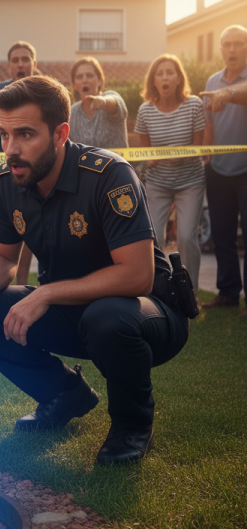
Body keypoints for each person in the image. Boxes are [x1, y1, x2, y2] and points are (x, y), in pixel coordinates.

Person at [0, 75, 189, 465]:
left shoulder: (109, 175)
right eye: (6, 136)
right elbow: (3, 255)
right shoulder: (8, 178)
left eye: (25, 135)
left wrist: (44, 294)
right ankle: (65, 394)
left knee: (107, 316)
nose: (11, 149)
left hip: (148, 314)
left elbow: (137, 276)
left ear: (61, 133)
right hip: (75, 312)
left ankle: (132, 425)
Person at [134, 55, 206, 292]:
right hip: (158, 183)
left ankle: (190, 292)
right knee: (152, 239)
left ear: (178, 78)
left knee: (186, 238)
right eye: (160, 73)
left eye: (170, 72)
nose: (164, 77)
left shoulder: (194, 105)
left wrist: (180, 155)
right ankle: (158, 289)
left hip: (190, 182)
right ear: (153, 80)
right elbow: (145, 154)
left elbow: (198, 149)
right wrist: (152, 159)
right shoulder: (145, 111)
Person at [0, 42, 40, 282]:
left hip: (35, 171)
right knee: (3, 229)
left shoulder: (43, 91)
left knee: (30, 227)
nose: (21, 64)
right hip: (2, 172)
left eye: (25, 59)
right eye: (16, 60)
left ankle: (23, 283)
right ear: (9, 65)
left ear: (34, 63)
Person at [199, 26, 247, 314]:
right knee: (222, 235)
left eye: (238, 44)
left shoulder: (231, 85)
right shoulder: (212, 80)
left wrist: (228, 93)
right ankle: (228, 293)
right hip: (218, 169)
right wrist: (206, 154)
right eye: (226, 44)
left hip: (246, 170)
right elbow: (209, 125)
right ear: (220, 49)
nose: (232, 49)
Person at [69, 57, 128, 149]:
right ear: (74, 85)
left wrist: (103, 102)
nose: (84, 80)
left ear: (100, 81)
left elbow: (116, 103)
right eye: (79, 77)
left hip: (115, 163)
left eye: (89, 75)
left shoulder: (110, 97)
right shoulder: (72, 112)